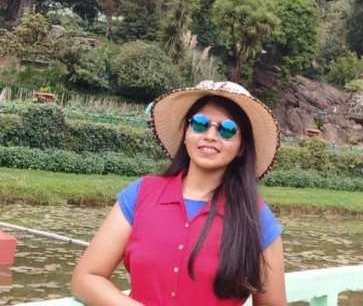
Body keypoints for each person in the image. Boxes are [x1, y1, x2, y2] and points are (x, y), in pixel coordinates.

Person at [71, 80, 287, 306]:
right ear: (185, 133)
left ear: (241, 147)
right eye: (200, 124)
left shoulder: (256, 216)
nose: (211, 135)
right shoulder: (141, 193)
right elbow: (86, 277)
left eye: (227, 130)